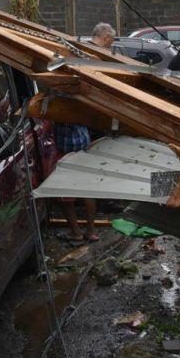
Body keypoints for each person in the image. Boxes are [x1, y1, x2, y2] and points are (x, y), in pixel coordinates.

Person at [57, 22, 116, 242]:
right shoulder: (95, 57)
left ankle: (76, 231)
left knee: (65, 189)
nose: (111, 44)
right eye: (111, 40)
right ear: (106, 37)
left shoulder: (76, 54)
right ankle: (90, 231)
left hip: (68, 137)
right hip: (81, 133)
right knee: (87, 186)